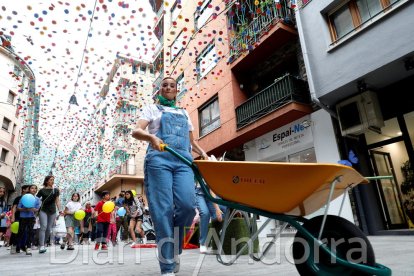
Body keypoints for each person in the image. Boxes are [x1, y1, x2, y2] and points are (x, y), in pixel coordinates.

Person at [132, 76, 208, 275]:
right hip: (159, 161)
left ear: (176, 90)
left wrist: (204, 154)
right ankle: (167, 267)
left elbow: (191, 141)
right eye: (164, 85)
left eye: (172, 85)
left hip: (183, 160)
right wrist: (150, 136)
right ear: (159, 90)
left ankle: (173, 248)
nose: (168, 87)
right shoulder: (152, 109)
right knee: (162, 210)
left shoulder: (184, 112)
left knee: (188, 206)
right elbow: (136, 130)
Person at [195, 181, 226, 253]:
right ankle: (202, 243)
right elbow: (212, 192)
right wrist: (217, 209)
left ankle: (219, 234)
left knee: (223, 210)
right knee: (205, 213)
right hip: (199, 193)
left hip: (211, 193)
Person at [36, 175, 64, 254]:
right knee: (43, 226)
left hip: (52, 211)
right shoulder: (41, 190)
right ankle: (41, 245)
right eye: (51, 180)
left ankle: (44, 243)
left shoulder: (55, 190)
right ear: (47, 181)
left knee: (49, 229)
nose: (52, 181)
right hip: (43, 210)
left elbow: (57, 201)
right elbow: (37, 200)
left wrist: (60, 210)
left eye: (53, 180)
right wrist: (35, 209)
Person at [17, 184, 41, 255]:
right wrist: (24, 209)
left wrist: (33, 209)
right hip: (23, 217)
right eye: (32, 188)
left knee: (30, 232)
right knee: (21, 231)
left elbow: (37, 209)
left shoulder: (37, 199)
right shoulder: (24, 197)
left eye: (35, 188)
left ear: (36, 190)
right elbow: (18, 208)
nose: (33, 190)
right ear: (29, 190)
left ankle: (28, 247)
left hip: (31, 217)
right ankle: (18, 246)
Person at [10, 185, 30, 254]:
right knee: (15, 231)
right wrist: (12, 216)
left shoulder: (29, 198)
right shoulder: (18, 198)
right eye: (28, 189)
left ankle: (20, 246)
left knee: (24, 232)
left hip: (26, 218)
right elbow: (14, 207)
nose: (29, 190)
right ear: (23, 190)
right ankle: (13, 245)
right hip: (18, 217)